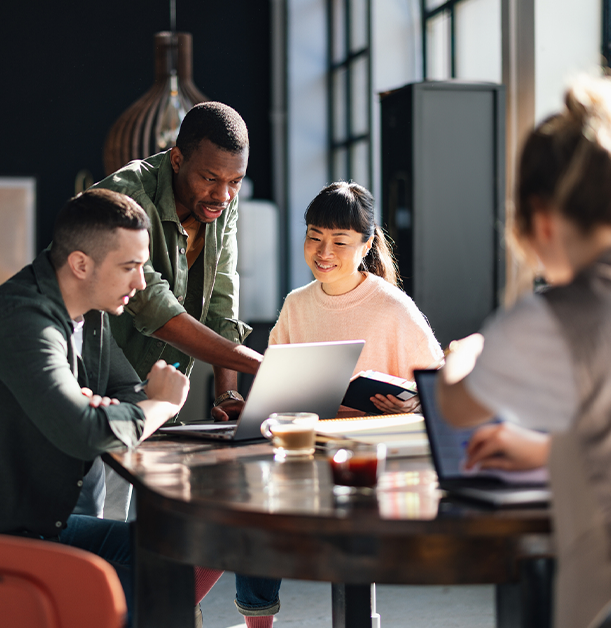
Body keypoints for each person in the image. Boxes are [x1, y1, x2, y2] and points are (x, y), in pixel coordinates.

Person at [94, 101, 280, 628]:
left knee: (158, 527)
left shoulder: (222, 202)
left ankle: (165, 612)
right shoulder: (126, 195)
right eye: (210, 178)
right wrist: (257, 365)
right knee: (106, 529)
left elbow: (222, 299)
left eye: (236, 181)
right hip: (98, 383)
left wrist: (228, 392)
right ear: (176, 159)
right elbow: (153, 308)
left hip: (161, 392)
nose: (222, 194)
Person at [437, 75, 611, 628]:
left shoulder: (555, 315)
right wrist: (541, 450)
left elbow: (458, 408)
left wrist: (461, 358)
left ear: (540, 220)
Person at [0, 188, 190, 626]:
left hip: (49, 519)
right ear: (80, 264)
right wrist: (163, 405)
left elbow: (127, 392)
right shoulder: (21, 321)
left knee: (175, 554)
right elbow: (87, 432)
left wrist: (114, 411)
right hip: (5, 533)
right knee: (147, 577)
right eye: (130, 267)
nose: (140, 284)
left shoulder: (91, 312)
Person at [270, 181, 443, 414]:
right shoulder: (295, 304)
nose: (324, 252)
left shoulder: (393, 307)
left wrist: (416, 402)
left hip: (373, 441)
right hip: (309, 441)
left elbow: (438, 383)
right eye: (314, 237)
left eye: (340, 242)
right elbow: (272, 386)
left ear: (366, 246)